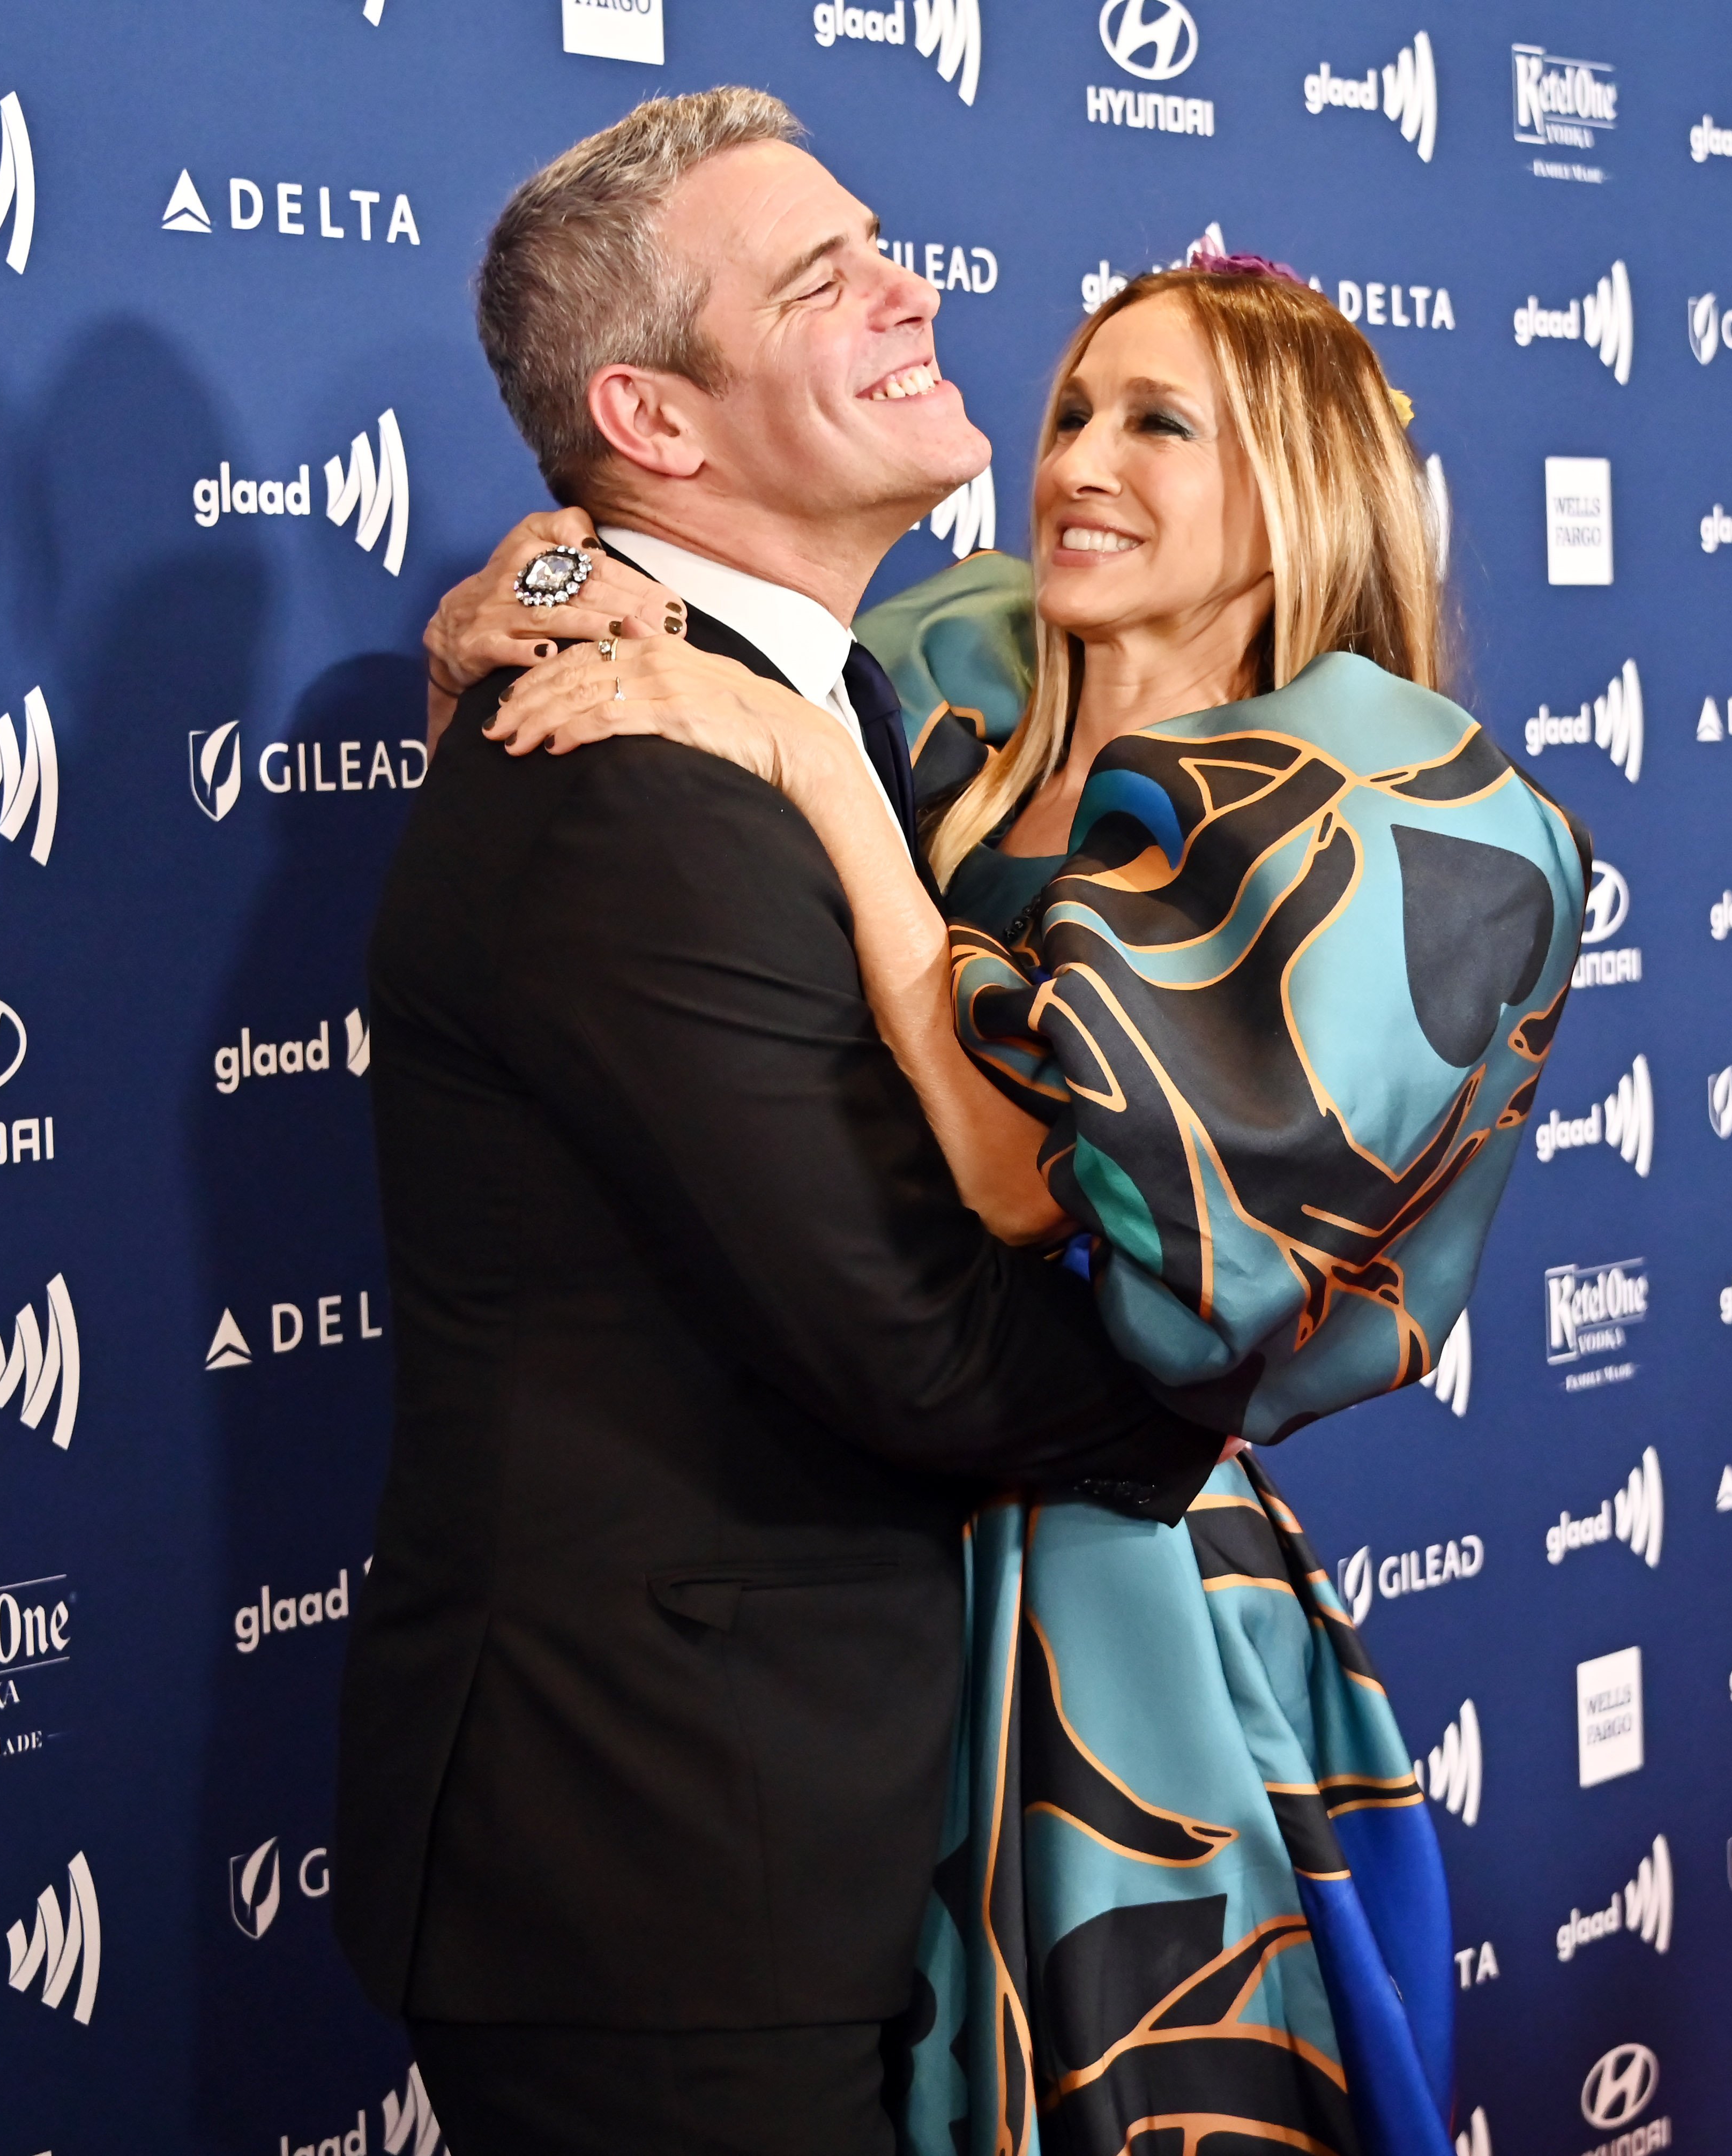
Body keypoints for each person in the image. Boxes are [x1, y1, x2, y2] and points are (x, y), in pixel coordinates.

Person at [427, 226, 1589, 2154]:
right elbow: (686, 590)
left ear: (1300, 491)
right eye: (1068, 414)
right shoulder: (957, 673)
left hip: (1116, 1613)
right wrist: (531, 587)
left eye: (1158, 427)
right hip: (835, 1607)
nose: (1076, 467)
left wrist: (818, 785)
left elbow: (1017, 1181)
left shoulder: (1379, 813)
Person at [333, 89, 1230, 2156]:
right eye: (825, 280)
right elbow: (907, 1338)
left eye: (881, 245)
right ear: (653, 418)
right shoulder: (624, 771)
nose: (913, 292)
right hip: (656, 1875)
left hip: (787, 1823)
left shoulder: (843, 699)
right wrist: (1247, 1345)